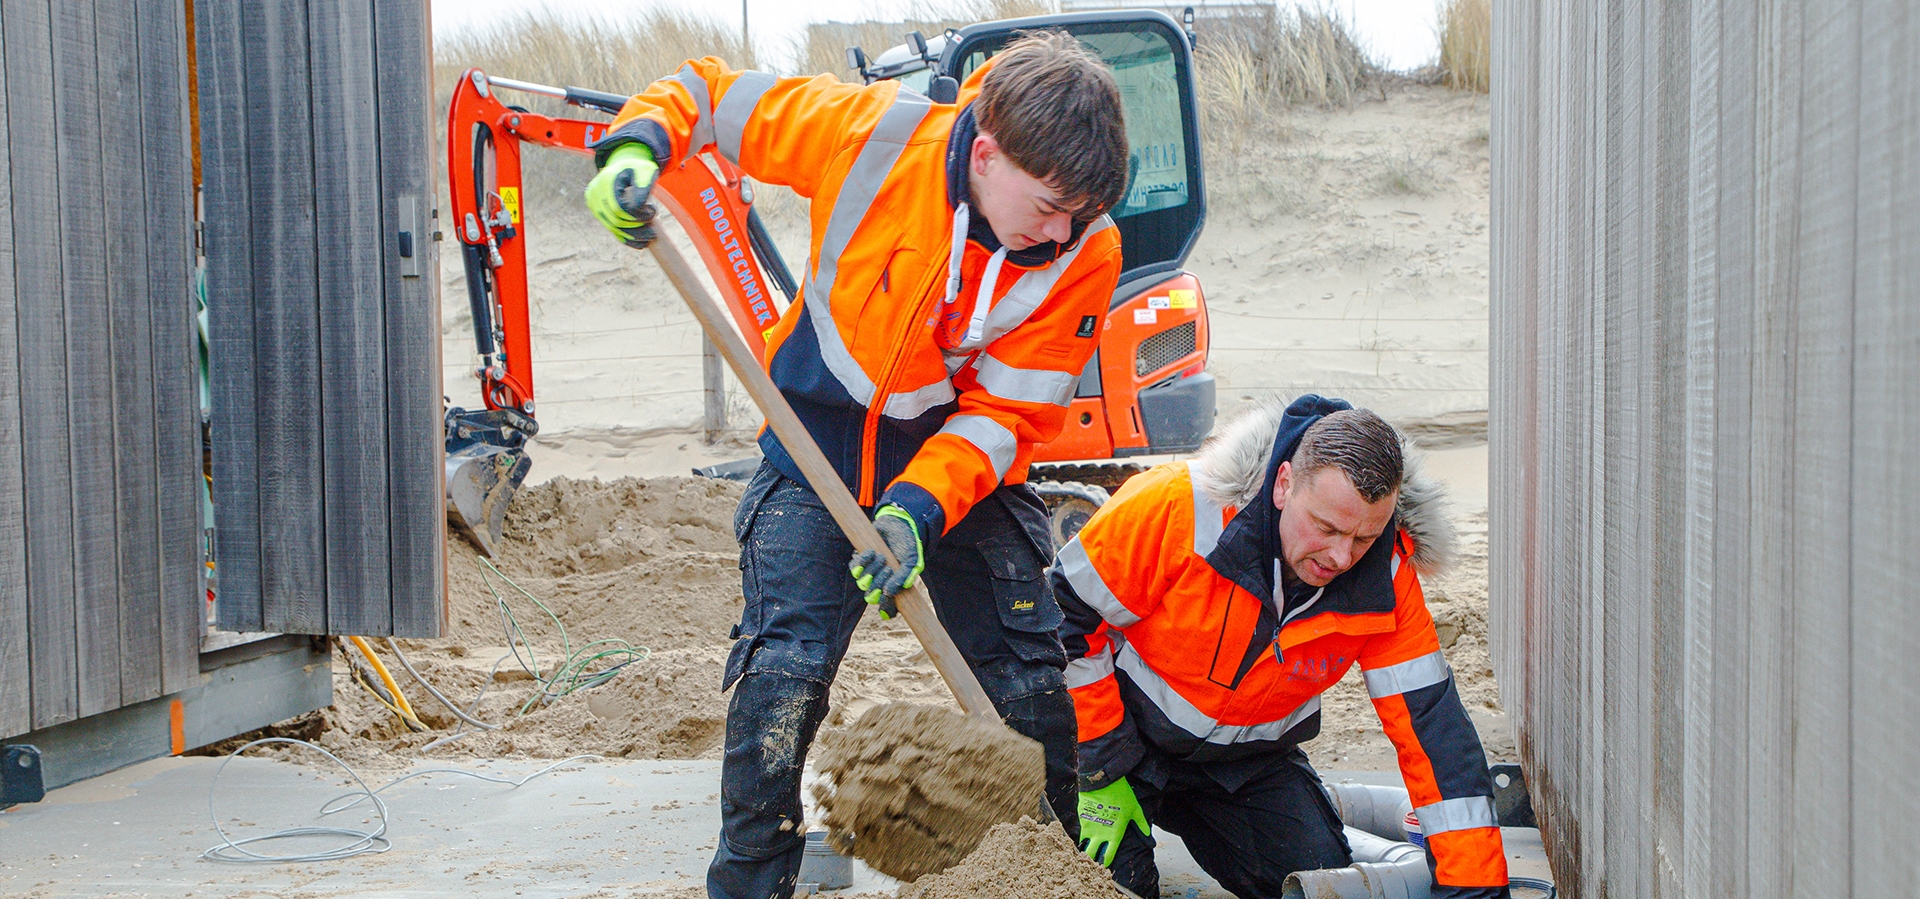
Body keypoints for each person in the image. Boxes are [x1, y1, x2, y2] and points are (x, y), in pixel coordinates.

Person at [582, 32, 1130, 899]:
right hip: (818, 437)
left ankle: (1045, 877)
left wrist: (916, 509)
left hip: (957, 465)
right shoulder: (871, 133)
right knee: (783, 677)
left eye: (1082, 212)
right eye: (1051, 204)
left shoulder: (1088, 250)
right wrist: (637, 144)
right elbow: (712, 96)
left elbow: (1008, 413)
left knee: (1027, 683)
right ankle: (752, 885)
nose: (1062, 229)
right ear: (986, 154)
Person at [1054, 395, 1511, 899]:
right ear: (1284, 484)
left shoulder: (1385, 576)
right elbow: (1066, 622)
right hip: (1125, 742)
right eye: (1327, 528)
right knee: (1114, 886)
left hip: (1243, 766)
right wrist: (1099, 766)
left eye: (1364, 538)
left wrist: (1475, 891)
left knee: (1318, 881)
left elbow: (1432, 728)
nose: (1341, 557)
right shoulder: (1178, 506)